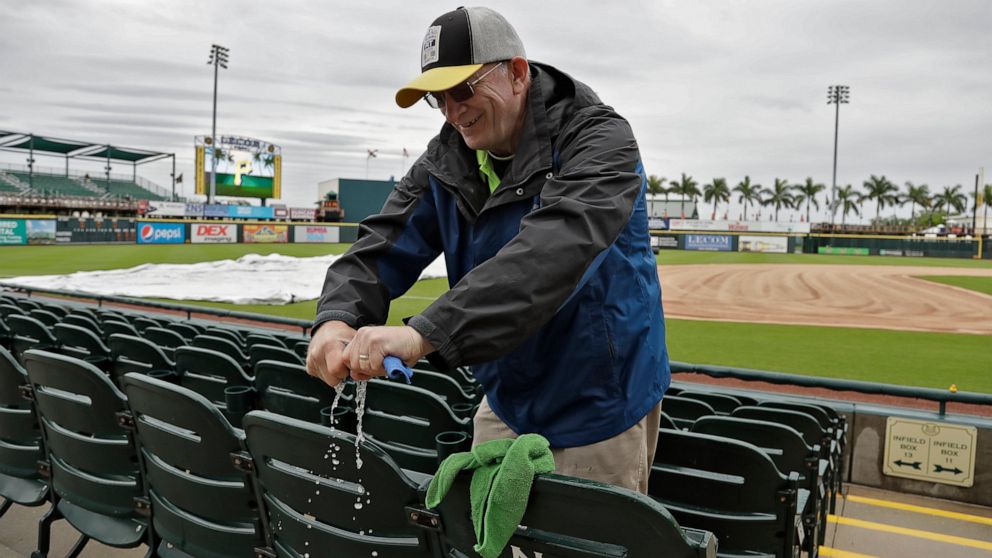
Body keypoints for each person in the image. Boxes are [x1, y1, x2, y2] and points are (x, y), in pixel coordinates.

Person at [307, 6, 669, 494]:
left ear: (517, 73)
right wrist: (336, 317)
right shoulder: (448, 157)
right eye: (439, 98)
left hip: (599, 400)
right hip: (507, 396)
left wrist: (421, 335)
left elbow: (550, 255)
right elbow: (381, 243)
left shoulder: (600, 139)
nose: (453, 112)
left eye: (464, 90)